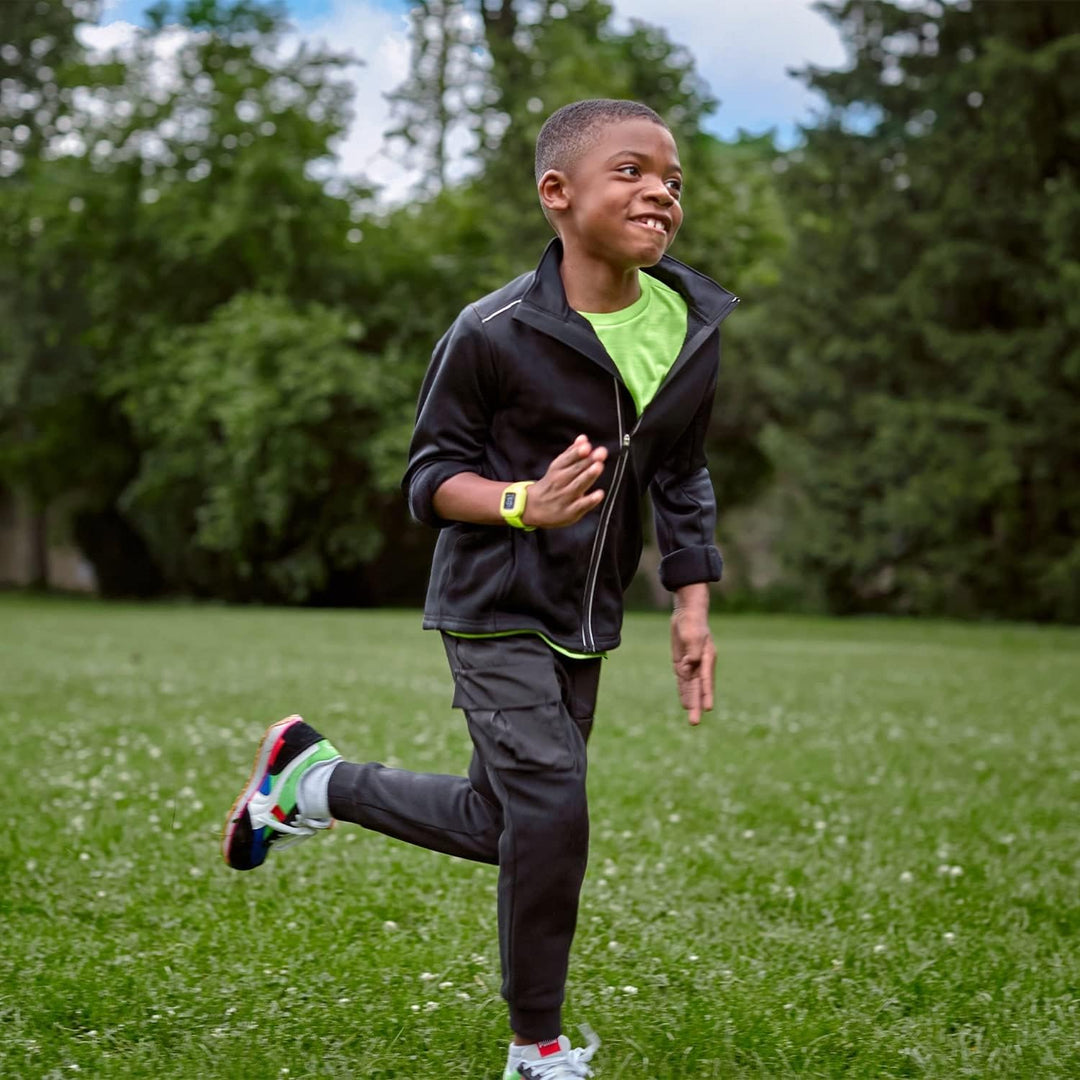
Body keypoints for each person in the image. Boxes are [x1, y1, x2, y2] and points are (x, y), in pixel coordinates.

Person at [222, 98, 738, 1080]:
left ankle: (309, 783)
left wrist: (691, 598)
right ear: (559, 194)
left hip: (586, 616)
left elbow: (681, 472)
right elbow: (428, 478)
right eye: (632, 171)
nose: (661, 192)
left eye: (673, 178)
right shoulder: (492, 331)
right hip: (492, 600)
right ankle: (536, 1049)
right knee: (553, 808)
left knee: (499, 822)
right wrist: (521, 503)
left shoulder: (691, 325)